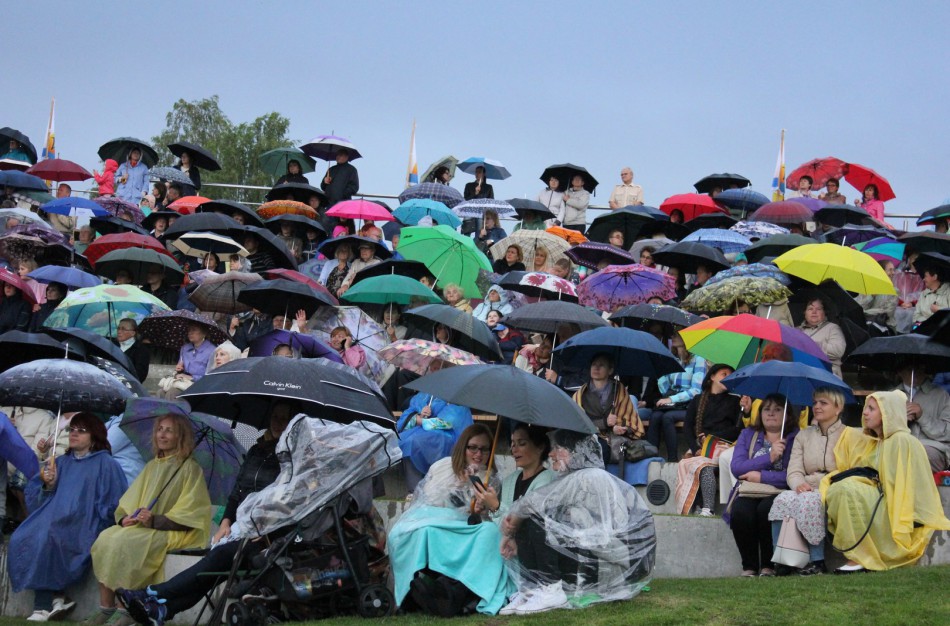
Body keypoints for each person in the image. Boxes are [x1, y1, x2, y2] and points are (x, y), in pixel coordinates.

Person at [115, 404, 294, 626]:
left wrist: (268, 530)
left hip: (268, 536)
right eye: (275, 417)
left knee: (219, 558)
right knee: (216, 565)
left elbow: (290, 502)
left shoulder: (292, 456)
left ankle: (151, 594)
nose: (278, 422)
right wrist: (225, 523)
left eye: (284, 419)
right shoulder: (257, 451)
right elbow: (237, 492)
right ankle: (162, 610)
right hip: (240, 528)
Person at [499, 429, 656, 613]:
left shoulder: (589, 476)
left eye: (558, 448)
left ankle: (550, 588)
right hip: (593, 553)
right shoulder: (575, 477)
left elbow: (532, 503)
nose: (551, 454)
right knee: (535, 518)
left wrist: (512, 526)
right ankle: (531, 589)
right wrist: (512, 531)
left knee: (539, 518)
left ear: (576, 451)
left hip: (610, 563)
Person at [87, 413, 211, 625]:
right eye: (160, 429)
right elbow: (132, 501)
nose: (162, 434)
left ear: (180, 436)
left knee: (128, 543)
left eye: (169, 430)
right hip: (144, 526)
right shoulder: (153, 465)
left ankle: (125, 610)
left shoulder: (190, 469)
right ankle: (106, 607)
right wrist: (126, 518)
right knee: (106, 537)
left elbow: (191, 515)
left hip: (172, 531)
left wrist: (155, 520)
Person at [8, 413, 127, 622]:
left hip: (85, 523)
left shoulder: (107, 464)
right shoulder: (60, 462)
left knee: (49, 535)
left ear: (94, 436)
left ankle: (43, 605)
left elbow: (114, 502)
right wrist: (48, 484)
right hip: (52, 519)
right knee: (25, 536)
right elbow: (36, 498)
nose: (74, 434)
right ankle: (56, 597)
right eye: (72, 429)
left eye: (81, 431)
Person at [388, 425, 512, 616]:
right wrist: (459, 484)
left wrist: (479, 509)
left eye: (484, 449)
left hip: (465, 531)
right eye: (473, 447)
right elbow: (427, 501)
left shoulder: (490, 477)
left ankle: (459, 589)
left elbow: (486, 518)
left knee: (489, 532)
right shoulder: (443, 466)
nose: (478, 454)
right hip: (438, 523)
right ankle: (410, 592)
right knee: (419, 532)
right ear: (463, 447)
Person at [822, 390, 950, 573]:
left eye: (872, 409)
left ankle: (860, 556)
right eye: (866, 408)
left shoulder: (902, 441)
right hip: (877, 496)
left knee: (846, 490)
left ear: (888, 413)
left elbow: (903, 488)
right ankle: (858, 555)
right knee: (838, 487)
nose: (865, 413)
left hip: (893, 505)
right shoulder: (875, 441)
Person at [767, 387, 846, 576]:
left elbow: (850, 467)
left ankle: (817, 561)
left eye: (823, 403)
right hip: (807, 485)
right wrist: (797, 484)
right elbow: (794, 470)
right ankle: (783, 559)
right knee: (782, 500)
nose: (817, 407)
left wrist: (823, 483)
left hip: (834, 485)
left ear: (838, 407)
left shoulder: (848, 434)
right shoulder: (804, 435)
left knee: (810, 501)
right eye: (815, 402)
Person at [728, 393, 798, 577]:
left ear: (787, 415)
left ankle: (768, 565)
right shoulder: (748, 434)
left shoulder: (795, 438)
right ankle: (749, 566)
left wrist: (761, 476)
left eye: (777, 410)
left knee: (767, 510)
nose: (771, 414)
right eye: (766, 409)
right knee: (741, 511)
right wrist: (770, 457)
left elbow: (793, 474)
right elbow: (737, 467)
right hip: (750, 491)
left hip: (780, 490)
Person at [674, 364, 741, 517]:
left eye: (730, 376)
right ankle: (695, 506)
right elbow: (688, 427)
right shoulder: (698, 399)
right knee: (691, 463)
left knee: (705, 466)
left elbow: (737, 429)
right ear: (712, 377)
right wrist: (695, 447)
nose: (727, 378)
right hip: (700, 447)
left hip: (723, 447)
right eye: (723, 374)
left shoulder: (735, 401)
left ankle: (708, 508)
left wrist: (711, 437)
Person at [641, 333, 707, 462]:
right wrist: (660, 371)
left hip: (691, 405)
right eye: (673, 334)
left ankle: (672, 459)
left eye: (678, 334)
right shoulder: (674, 359)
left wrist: (672, 399)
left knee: (667, 417)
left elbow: (696, 390)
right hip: (674, 404)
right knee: (655, 416)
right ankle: (651, 458)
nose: (673, 337)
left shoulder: (698, 359)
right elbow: (666, 389)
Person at [572, 354, 644, 464]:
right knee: (599, 447)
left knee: (604, 448)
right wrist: (605, 423)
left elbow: (629, 418)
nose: (596, 368)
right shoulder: (580, 395)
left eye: (601, 365)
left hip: (614, 439)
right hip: (590, 435)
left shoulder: (619, 390)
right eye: (594, 364)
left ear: (610, 370)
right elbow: (579, 422)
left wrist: (619, 427)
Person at [397, 391, 475, 492]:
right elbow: (404, 419)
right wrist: (418, 416)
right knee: (404, 441)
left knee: (415, 442)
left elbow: (449, 422)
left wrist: (423, 421)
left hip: (446, 436)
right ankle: (414, 490)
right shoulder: (425, 396)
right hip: (419, 432)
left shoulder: (457, 398)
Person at [895, 363, 950, 471]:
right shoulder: (891, 395)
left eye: (920, 368)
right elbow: (879, 431)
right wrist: (901, 420)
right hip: (899, 445)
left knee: (918, 456)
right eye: (910, 368)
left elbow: (948, 432)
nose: (916, 372)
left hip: (932, 448)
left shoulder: (941, 395)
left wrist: (922, 416)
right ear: (899, 372)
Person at [158, 324, 215, 400]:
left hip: (199, 385)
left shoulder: (212, 350)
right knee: (160, 392)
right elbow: (181, 368)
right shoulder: (185, 348)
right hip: (183, 382)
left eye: (194, 330)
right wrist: (179, 369)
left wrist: (192, 377)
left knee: (173, 392)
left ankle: (171, 412)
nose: (190, 333)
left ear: (204, 333)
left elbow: (211, 376)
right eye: (189, 330)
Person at [797, 297, 846, 377]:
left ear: (824, 313)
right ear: (805, 313)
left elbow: (838, 351)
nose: (814, 312)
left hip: (827, 372)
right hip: (802, 372)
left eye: (818, 309)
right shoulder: (796, 330)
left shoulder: (833, 328)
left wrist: (812, 345)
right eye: (810, 309)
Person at [855, 259, 898, 333]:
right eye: (890, 270)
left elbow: (888, 312)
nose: (893, 273)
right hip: (866, 323)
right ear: (881, 272)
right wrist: (871, 296)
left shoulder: (894, 291)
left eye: (893, 270)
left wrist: (866, 312)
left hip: (885, 325)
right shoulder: (868, 288)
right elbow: (860, 307)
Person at [461, 166, 495, 237]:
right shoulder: (469, 185)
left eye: (479, 172)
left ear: (484, 174)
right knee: (466, 232)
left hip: (481, 212)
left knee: (479, 234)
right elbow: (466, 199)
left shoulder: (488, 187)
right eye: (476, 172)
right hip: (470, 211)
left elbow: (491, 201)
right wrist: (475, 193)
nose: (477, 174)